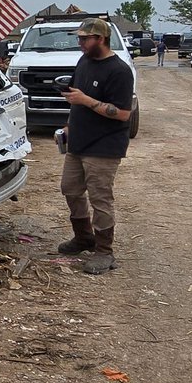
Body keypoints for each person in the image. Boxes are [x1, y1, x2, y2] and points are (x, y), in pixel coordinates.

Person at [57, 17, 134, 274]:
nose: (80, 43)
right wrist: (68, 126)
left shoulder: (119, 71)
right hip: (78, 140)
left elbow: (123, 113)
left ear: (101, 39)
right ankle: (84, 238)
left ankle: (104, 251)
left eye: (84, 38)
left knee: (100, 198)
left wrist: (86, 100)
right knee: (70, 188)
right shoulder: (84, 61)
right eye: (78, 38)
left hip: (104, 146)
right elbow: (77, 101)